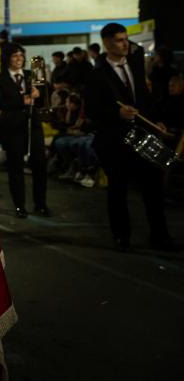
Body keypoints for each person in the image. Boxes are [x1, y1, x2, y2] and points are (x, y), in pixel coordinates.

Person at [85, 22, 173, 251]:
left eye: (126, 39)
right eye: (119, 40)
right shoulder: (96, 74)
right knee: (118, 189)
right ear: (107, 43)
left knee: (153, 187)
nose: (125, 44)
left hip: (143, 136)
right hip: (114, 141)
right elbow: (92, 110)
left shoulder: (135, 65)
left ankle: (160, 235)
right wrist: (117, 113)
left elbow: (144, 98)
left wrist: (156, 120)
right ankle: (121, 236)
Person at [0, 42, 50, 218]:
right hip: (13, 128)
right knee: (15, 168)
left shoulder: (31, 75)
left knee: (39, 166)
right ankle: (20, 206)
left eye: (21, 55)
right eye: (15, 55)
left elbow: (43, 102)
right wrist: (21, 100)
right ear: (7, 58)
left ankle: (40, 204)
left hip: (33, 127)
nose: (19, 58)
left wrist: (40, 93)